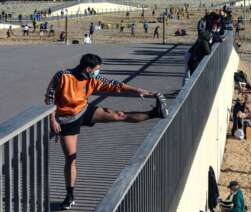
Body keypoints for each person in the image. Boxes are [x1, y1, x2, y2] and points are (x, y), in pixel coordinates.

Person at [45, 54, 169, 210]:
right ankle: (70, 196)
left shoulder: (92, 79)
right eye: (96, 70)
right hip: (66, 120)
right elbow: (49, 98)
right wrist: (53, 120)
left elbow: (114, 85)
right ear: (88, 69)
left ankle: (155, 113)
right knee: (71, 158)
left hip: (83, 110)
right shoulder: (62, 76)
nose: (98, 73)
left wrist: (138, 90)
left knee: (119, 115)